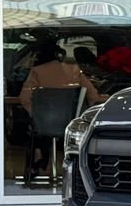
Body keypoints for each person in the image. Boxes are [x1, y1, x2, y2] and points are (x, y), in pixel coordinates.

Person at [19, 38, 102, 177]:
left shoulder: (37, 71)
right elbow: (93, 96)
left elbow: (25, 99)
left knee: (31, 128)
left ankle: (35, 163)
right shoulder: (74, 71)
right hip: (71, 124)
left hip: (44, 123)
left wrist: (36, 115)